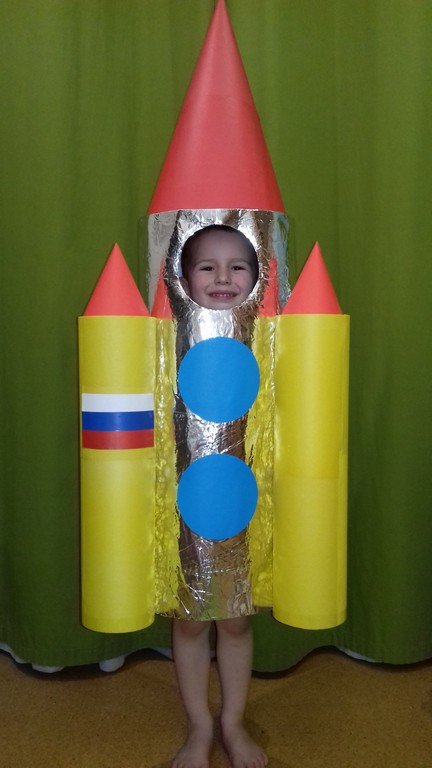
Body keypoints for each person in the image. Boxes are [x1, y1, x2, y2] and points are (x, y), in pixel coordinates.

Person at [172, 225, 267, 768]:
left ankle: (232, 720)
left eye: (238, 265)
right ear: (184, 278)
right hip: (187, 497)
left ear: (257, 277)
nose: (224, 277)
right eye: (207, 266)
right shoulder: (171, 339)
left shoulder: (266, 337)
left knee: (234, 617)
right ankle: (200, 725)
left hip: (243, 498)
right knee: (189, 617)